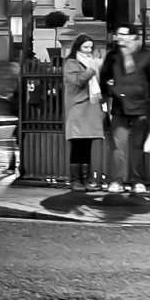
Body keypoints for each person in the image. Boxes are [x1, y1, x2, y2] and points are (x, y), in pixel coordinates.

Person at [102, 24, 150, 196]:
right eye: (118, 33)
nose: (119, 36)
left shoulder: (146, 56)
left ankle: (138, 181)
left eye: (123, 34)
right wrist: (111, 92)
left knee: (137, 147)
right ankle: (116, 181)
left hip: (140, 108)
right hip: (119, 108)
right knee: (117, 147)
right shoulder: (112, 56)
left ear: (133, 37)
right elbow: (104, 79)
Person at [61, 34, 106, 191]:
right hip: (78, 107)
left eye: (90, 47)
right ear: (78, 47)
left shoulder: (91, 62)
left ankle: (86, 180)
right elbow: (78, 81)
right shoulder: (71, 63)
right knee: (78, 145)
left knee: (87, 144)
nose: (89, 50)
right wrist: (92, 70)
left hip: (91, 106)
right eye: (85, 47)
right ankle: (75, 180)